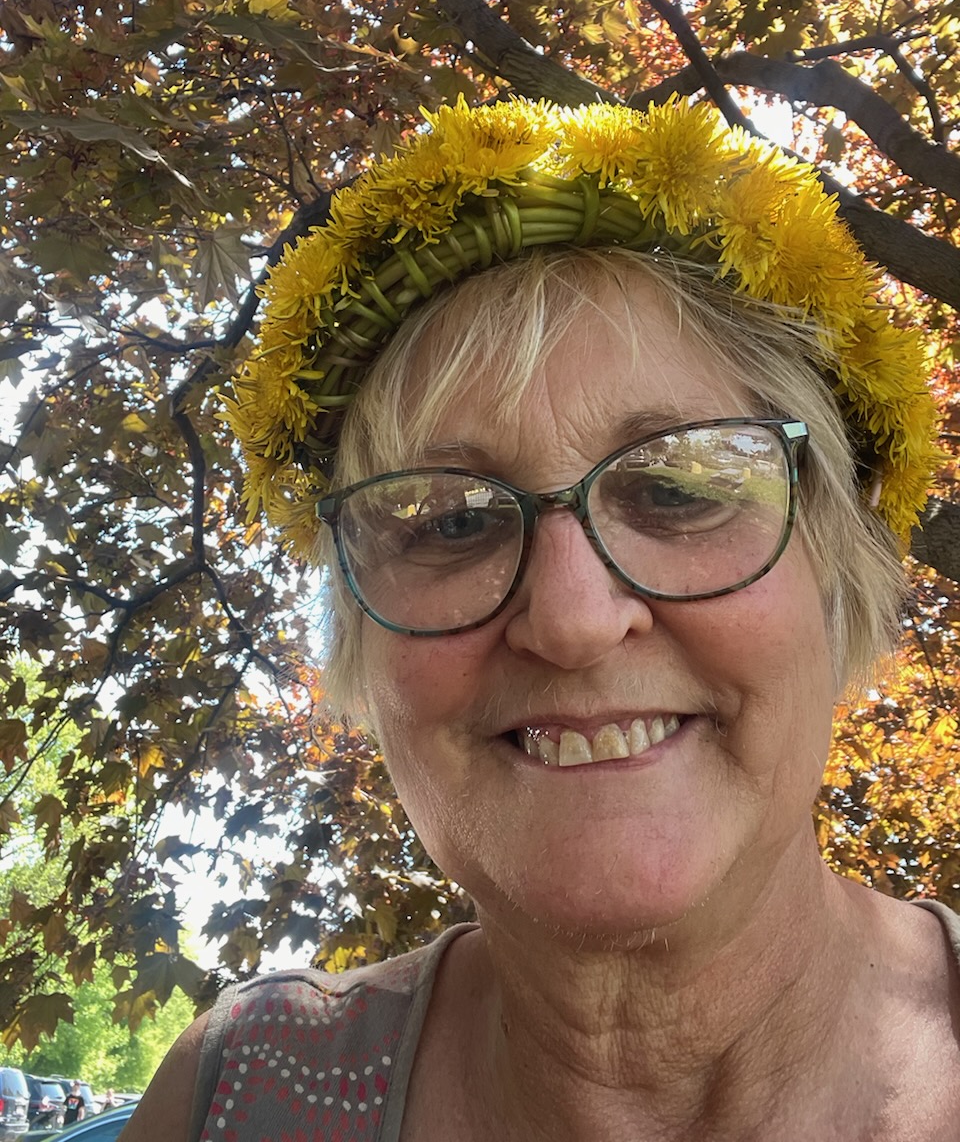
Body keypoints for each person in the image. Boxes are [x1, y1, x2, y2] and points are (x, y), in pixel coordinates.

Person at [119, 97, 959, 1142]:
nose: (569, 619)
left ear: (839, 573)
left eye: (682, 488)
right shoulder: (235, 1100)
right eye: (453, 519)